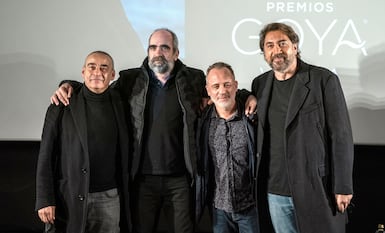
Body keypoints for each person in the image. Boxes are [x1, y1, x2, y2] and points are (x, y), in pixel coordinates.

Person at [50, 29, 256, 233]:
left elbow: (223, 91)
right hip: (142, 181)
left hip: (180, 181)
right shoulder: (131, 80)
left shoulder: (193, 78)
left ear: (176, 53)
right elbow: (97, 88)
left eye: (165, 47)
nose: (158, 52)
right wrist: (69, 85)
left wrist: (247, 96)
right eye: (153, 47)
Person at [251, 22, 354, 233]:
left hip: (315, 187)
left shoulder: (323, 80)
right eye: (269, 45)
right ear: (264, 53)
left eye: (282, 43)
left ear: (295, 46)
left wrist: (343, 186)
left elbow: (341, 136)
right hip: (275, 191)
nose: (277, 50)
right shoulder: (260, 84)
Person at [35, 51, 131, 233]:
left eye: (104, 68)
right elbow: (46, 155)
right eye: (91, 67)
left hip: (109, 199)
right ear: (83, 72)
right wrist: (45, 199)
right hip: (68, 197)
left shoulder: (121, 103)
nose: (97, 72)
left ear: (112, 74)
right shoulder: (62, 105)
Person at [195, 62, 259, 233]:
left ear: (236, 86)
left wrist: (250, 96)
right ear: (208, 90)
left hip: (251, 208)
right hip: (219, 211)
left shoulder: (252, 118)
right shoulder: (202, 122)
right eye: (216, 86)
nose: (222, 91)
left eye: (227, 84)